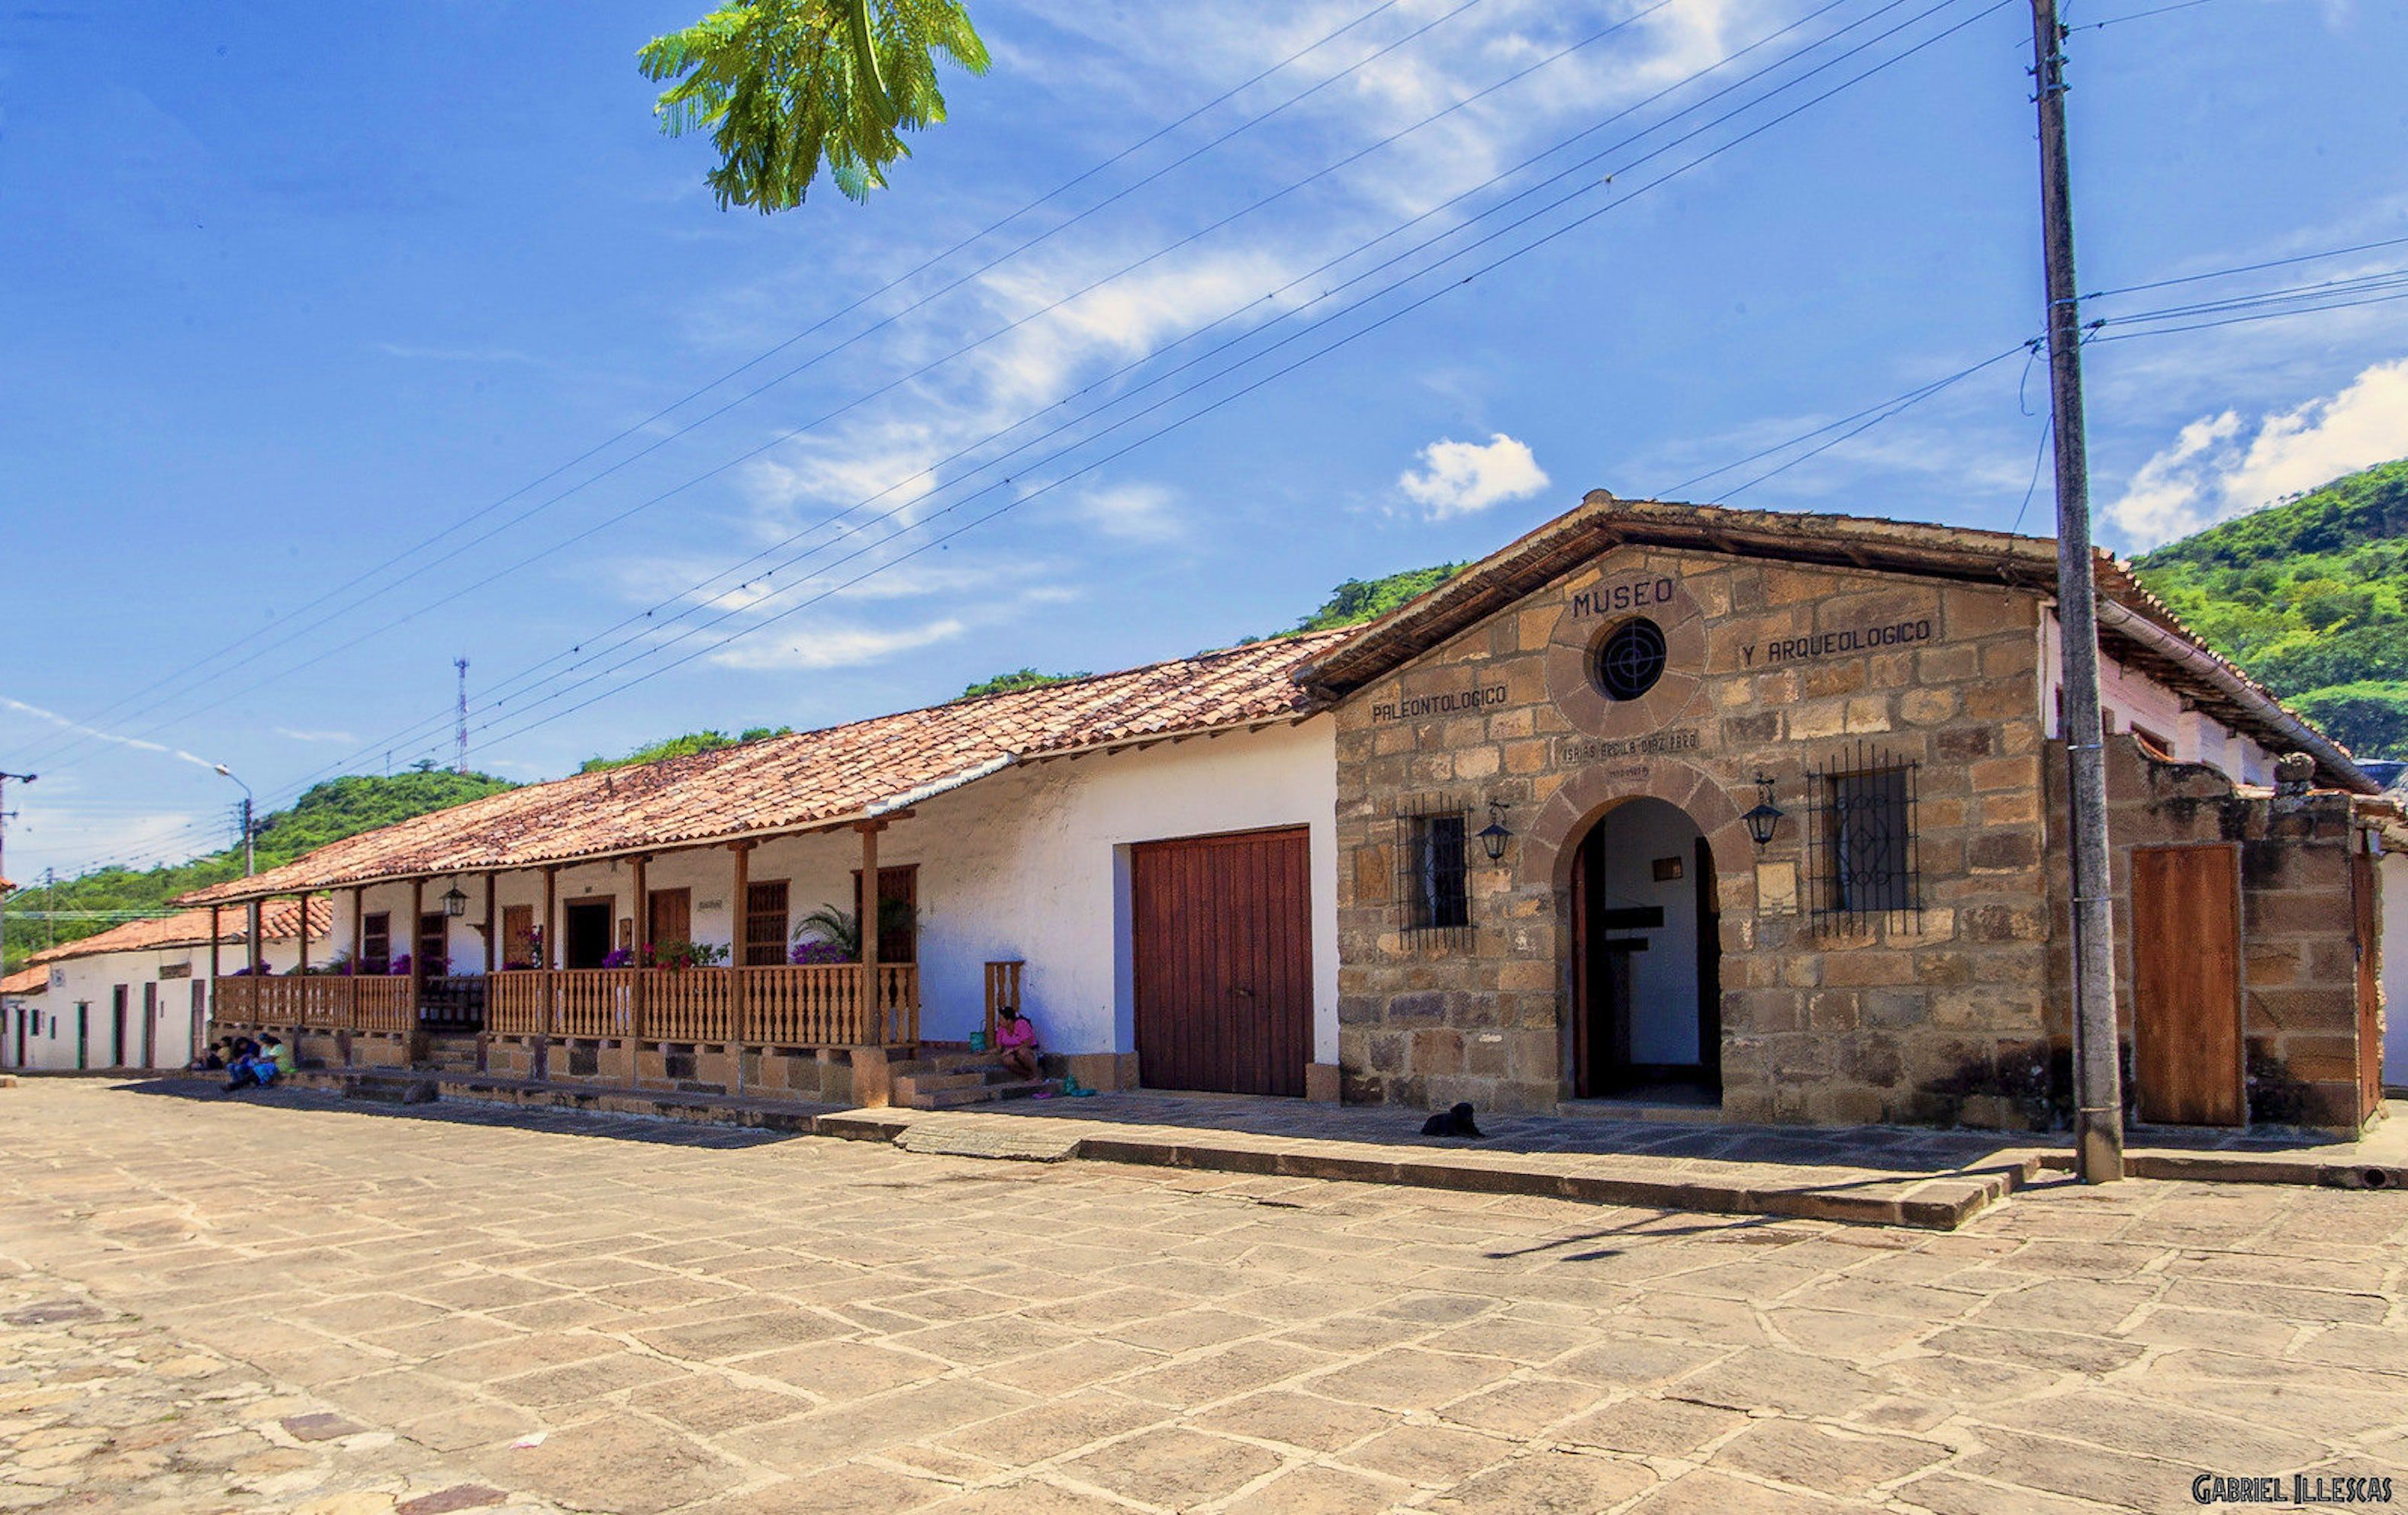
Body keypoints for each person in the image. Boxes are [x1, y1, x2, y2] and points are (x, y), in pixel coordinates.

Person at [994, 1004, 1040, 1082]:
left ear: (1009, 1021)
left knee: (1022, 1052)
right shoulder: (1001, 1029)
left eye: (1001, 1019)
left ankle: (1037, 1074)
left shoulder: (1021, 1024)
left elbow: (1027, 1044)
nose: (999, 1022)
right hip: (1013, 1053)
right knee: (1007, 1060)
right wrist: (984, 1052)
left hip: (1029, 1051)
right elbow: (999, 1048)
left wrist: (1012, 1050)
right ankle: (1029, 1075)